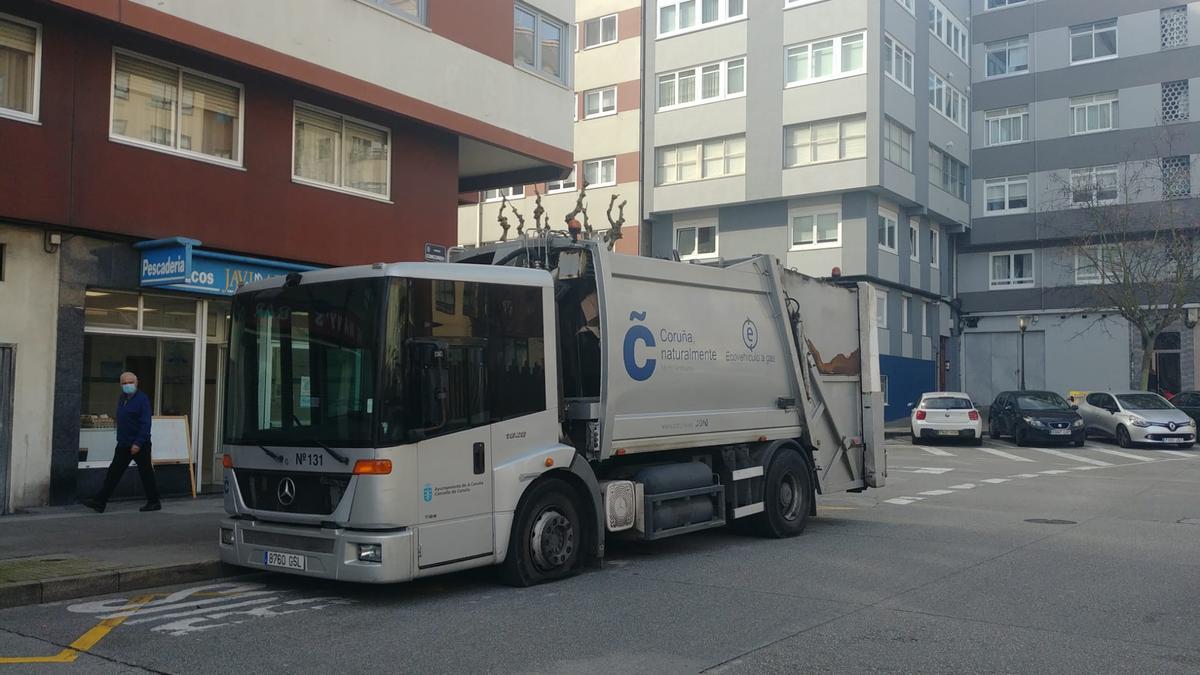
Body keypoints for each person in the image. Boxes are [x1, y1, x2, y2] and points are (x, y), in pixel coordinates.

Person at [81, 372, 161, 513]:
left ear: (136, 383)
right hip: (124, 443)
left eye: (130, 382)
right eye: (124, 383)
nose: (127, 385)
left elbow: (145, 423)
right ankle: (100, 502)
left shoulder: (142, 399)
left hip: (139, 444)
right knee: (114, 472)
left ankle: (154, 501)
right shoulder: (122, 398)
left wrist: (138, 443)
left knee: (146, 472)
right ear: (120, 385)